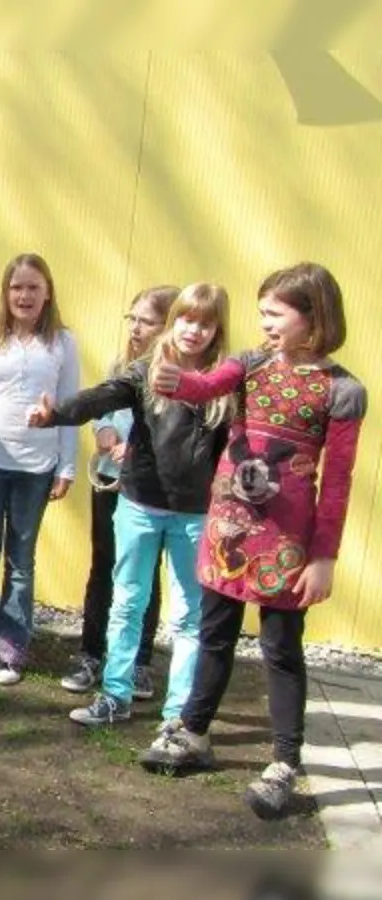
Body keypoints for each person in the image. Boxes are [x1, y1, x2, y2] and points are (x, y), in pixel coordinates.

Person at [141, 263, 366, 821]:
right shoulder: (250, 363)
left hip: (287, 541)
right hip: (229, 527)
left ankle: (285, 762)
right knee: (214, 633)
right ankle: (193, 733)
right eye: (261, 313)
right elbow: (203, 385)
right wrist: (173, 380)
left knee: (281, 650)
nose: (262, 323)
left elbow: (336, 483)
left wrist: (323, 557)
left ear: (312, 316)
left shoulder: (342, 391)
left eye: (274, 314)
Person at [29, 282, 232, 728]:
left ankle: (179, 714)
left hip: (195, 515)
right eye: (185, 319)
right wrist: (57, 412)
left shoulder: (226, 384)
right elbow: (102, 397)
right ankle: (114, 696)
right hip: (140, 503)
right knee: (127, 602)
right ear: (173, 321)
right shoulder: (146, 371)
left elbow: (234, 446)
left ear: (218, 330)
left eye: (205, 323)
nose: (193, 331)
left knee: (188, 617)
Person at [0, 253, 80, 685]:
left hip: (36, 467)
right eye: (16, 288)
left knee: (21, 560)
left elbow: (68, 408)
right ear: (5, 293)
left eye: (33, 288)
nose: (24, 296)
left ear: (47, 294)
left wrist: (67, 468)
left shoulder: (62, 343)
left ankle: (11, 652)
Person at [59, 286, 179, 697]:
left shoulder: (175, 374)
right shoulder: (121, 364)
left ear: (168, 327)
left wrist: (140, 448)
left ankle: (140, 662)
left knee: (144, 576)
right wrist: (103, 428)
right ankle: (91, 654)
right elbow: (104, 408)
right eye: (132, 318)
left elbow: (175, 431)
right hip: (111, 480)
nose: (135, 328)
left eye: (146, 321)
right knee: (104, 565)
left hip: (151, 490)